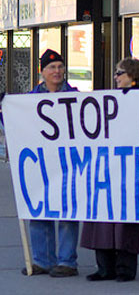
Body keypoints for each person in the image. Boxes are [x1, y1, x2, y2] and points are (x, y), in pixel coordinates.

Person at [80, 57, 139, 282]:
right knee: (102, 217)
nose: (116, 77)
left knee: (127, 220)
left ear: (133, 76)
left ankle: (125, 268)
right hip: (106, 166)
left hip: (131, 167)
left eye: (120, 73)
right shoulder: (108, 100)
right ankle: (104, 266)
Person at [22, 49, 79, 277]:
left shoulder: (76, 97)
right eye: (52, 67)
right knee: (39, 210)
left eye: (60, 67)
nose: (57, 71)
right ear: (42, 72)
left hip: (67, 163)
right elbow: (17, 128)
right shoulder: (29, 100)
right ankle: (42, 260)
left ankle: (67, 262)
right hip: (40, 163)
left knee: (67, 211)